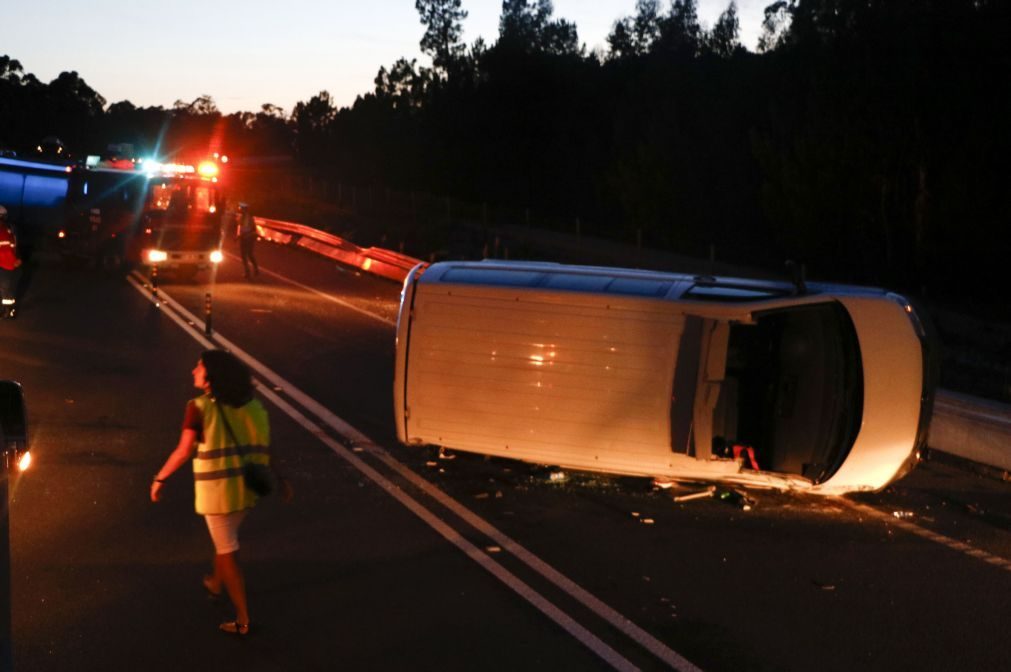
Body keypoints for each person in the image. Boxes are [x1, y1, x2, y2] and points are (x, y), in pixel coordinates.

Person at [151, 349, 292, 636]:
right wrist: (281, 478)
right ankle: (215, 583)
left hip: (219, 494)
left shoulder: (200, 408)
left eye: (199, 366)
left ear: (211, 376)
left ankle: (242, 620)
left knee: (227, 550)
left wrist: (160, 478)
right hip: (248, 491)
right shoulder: (253, 406)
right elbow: (267, 446)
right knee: (224, 540)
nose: (193, 371)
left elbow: (182, 451)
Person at [0, 205, 21, 319]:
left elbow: (8, 248)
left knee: (5, 290)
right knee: (6, 289)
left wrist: (14, 260)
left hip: (5, 264)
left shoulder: (4, 230)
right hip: (7, 264)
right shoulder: (7, 229)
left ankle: (7, 312)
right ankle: (7, 311)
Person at [235, 203, 259, 278]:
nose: (240, 210)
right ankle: (253, 270)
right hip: (247, 237)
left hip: (247, 237)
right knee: (248, 255)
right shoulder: (244, 217)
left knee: (246, 255)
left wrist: (239, 237)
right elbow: (241, 228)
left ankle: (249, 271)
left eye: (241, 208)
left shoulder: (247, 218)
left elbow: (246, 229)